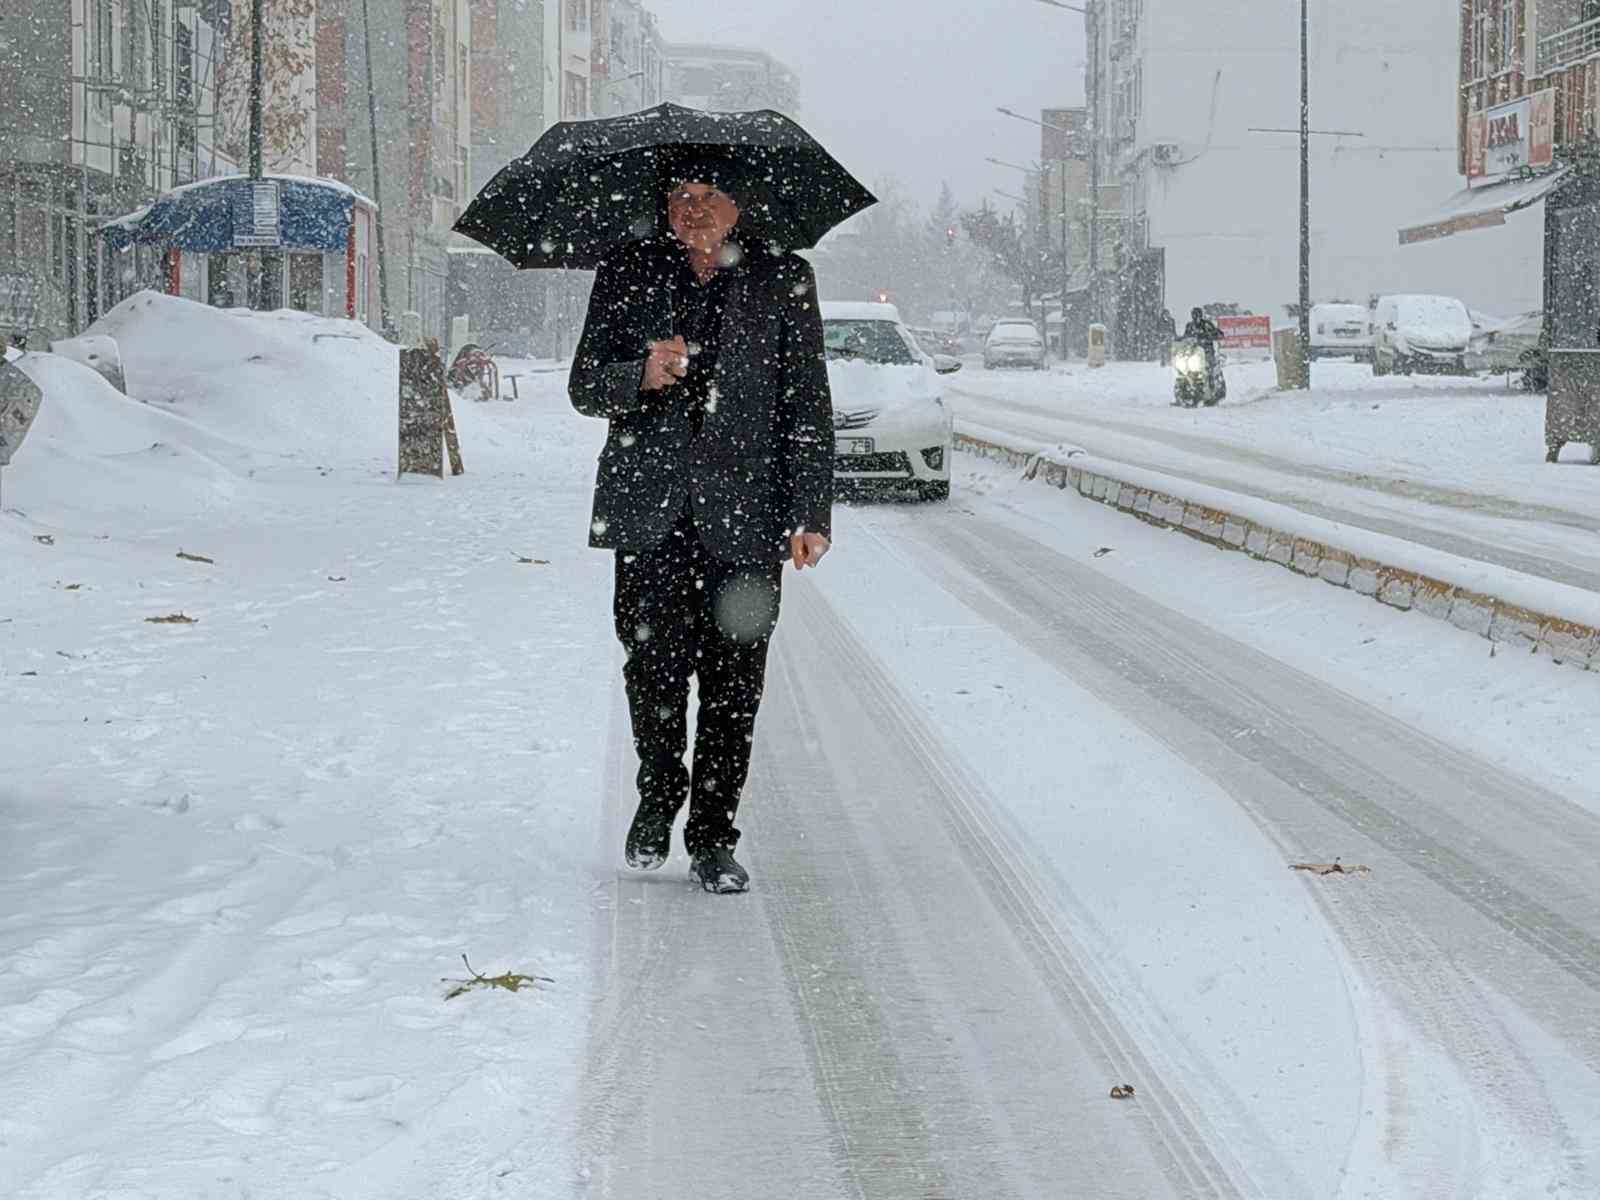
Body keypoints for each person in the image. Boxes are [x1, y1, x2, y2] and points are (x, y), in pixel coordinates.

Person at [568, 160, 834, 895]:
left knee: (733, 685)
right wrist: (639, 375)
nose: (692, 211)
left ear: (737, 205)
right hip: (650, 513)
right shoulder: (627, 271)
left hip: (745, 520)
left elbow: (807, 405)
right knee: (650, 667)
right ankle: (658, 796)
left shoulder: (783, 279)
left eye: (707, 197)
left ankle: (713, 835)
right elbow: (584, 384)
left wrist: (810, 513)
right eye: (680, 198)